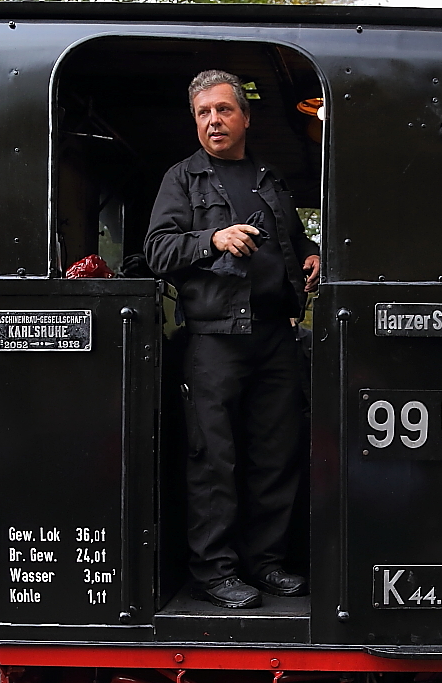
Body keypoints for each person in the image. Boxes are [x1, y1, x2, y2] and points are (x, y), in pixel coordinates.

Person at [144, 70, 320, 609]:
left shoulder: (269, 176)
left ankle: (265, 563)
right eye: (203, 113)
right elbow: (157, 251)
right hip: (214, 341)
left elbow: (292, 239)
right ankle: (214, 571)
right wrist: (211, 238)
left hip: (273, 337)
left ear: (245, 117)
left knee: (276, 454)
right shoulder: (182, 179)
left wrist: (313, 253)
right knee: (214, 460)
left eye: (223, 110)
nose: (213, 120)